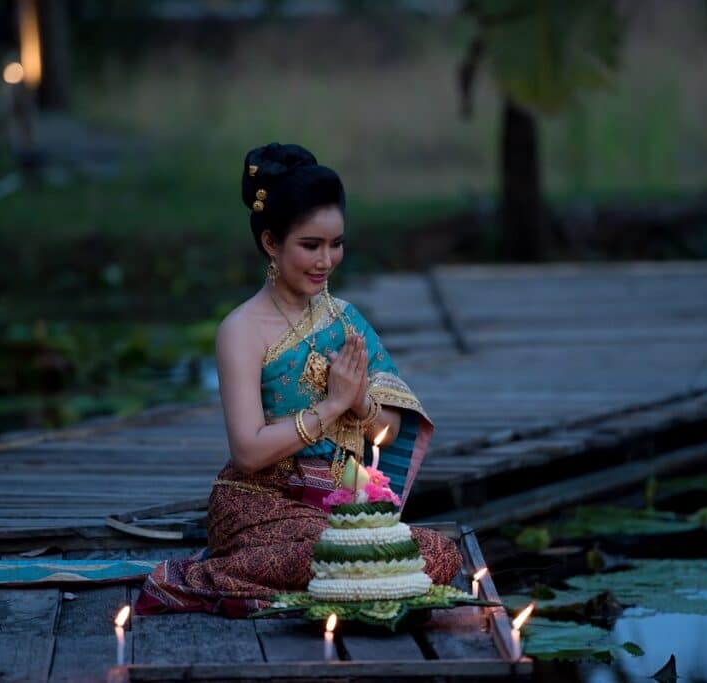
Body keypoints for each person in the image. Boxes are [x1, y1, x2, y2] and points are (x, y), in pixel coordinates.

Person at [136, 143, 462, 616]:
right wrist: (329, 408)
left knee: (438, 553)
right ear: (271, 242)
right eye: (310, 245)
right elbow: (247, 452)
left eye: (336, 244)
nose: (325, 261)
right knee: (325, 556)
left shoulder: (347, 321)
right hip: (261, 505)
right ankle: (209, 576)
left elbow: (388, 429)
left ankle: (336, 582)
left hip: (341, 507)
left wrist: (359, 405)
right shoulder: (241, 331)